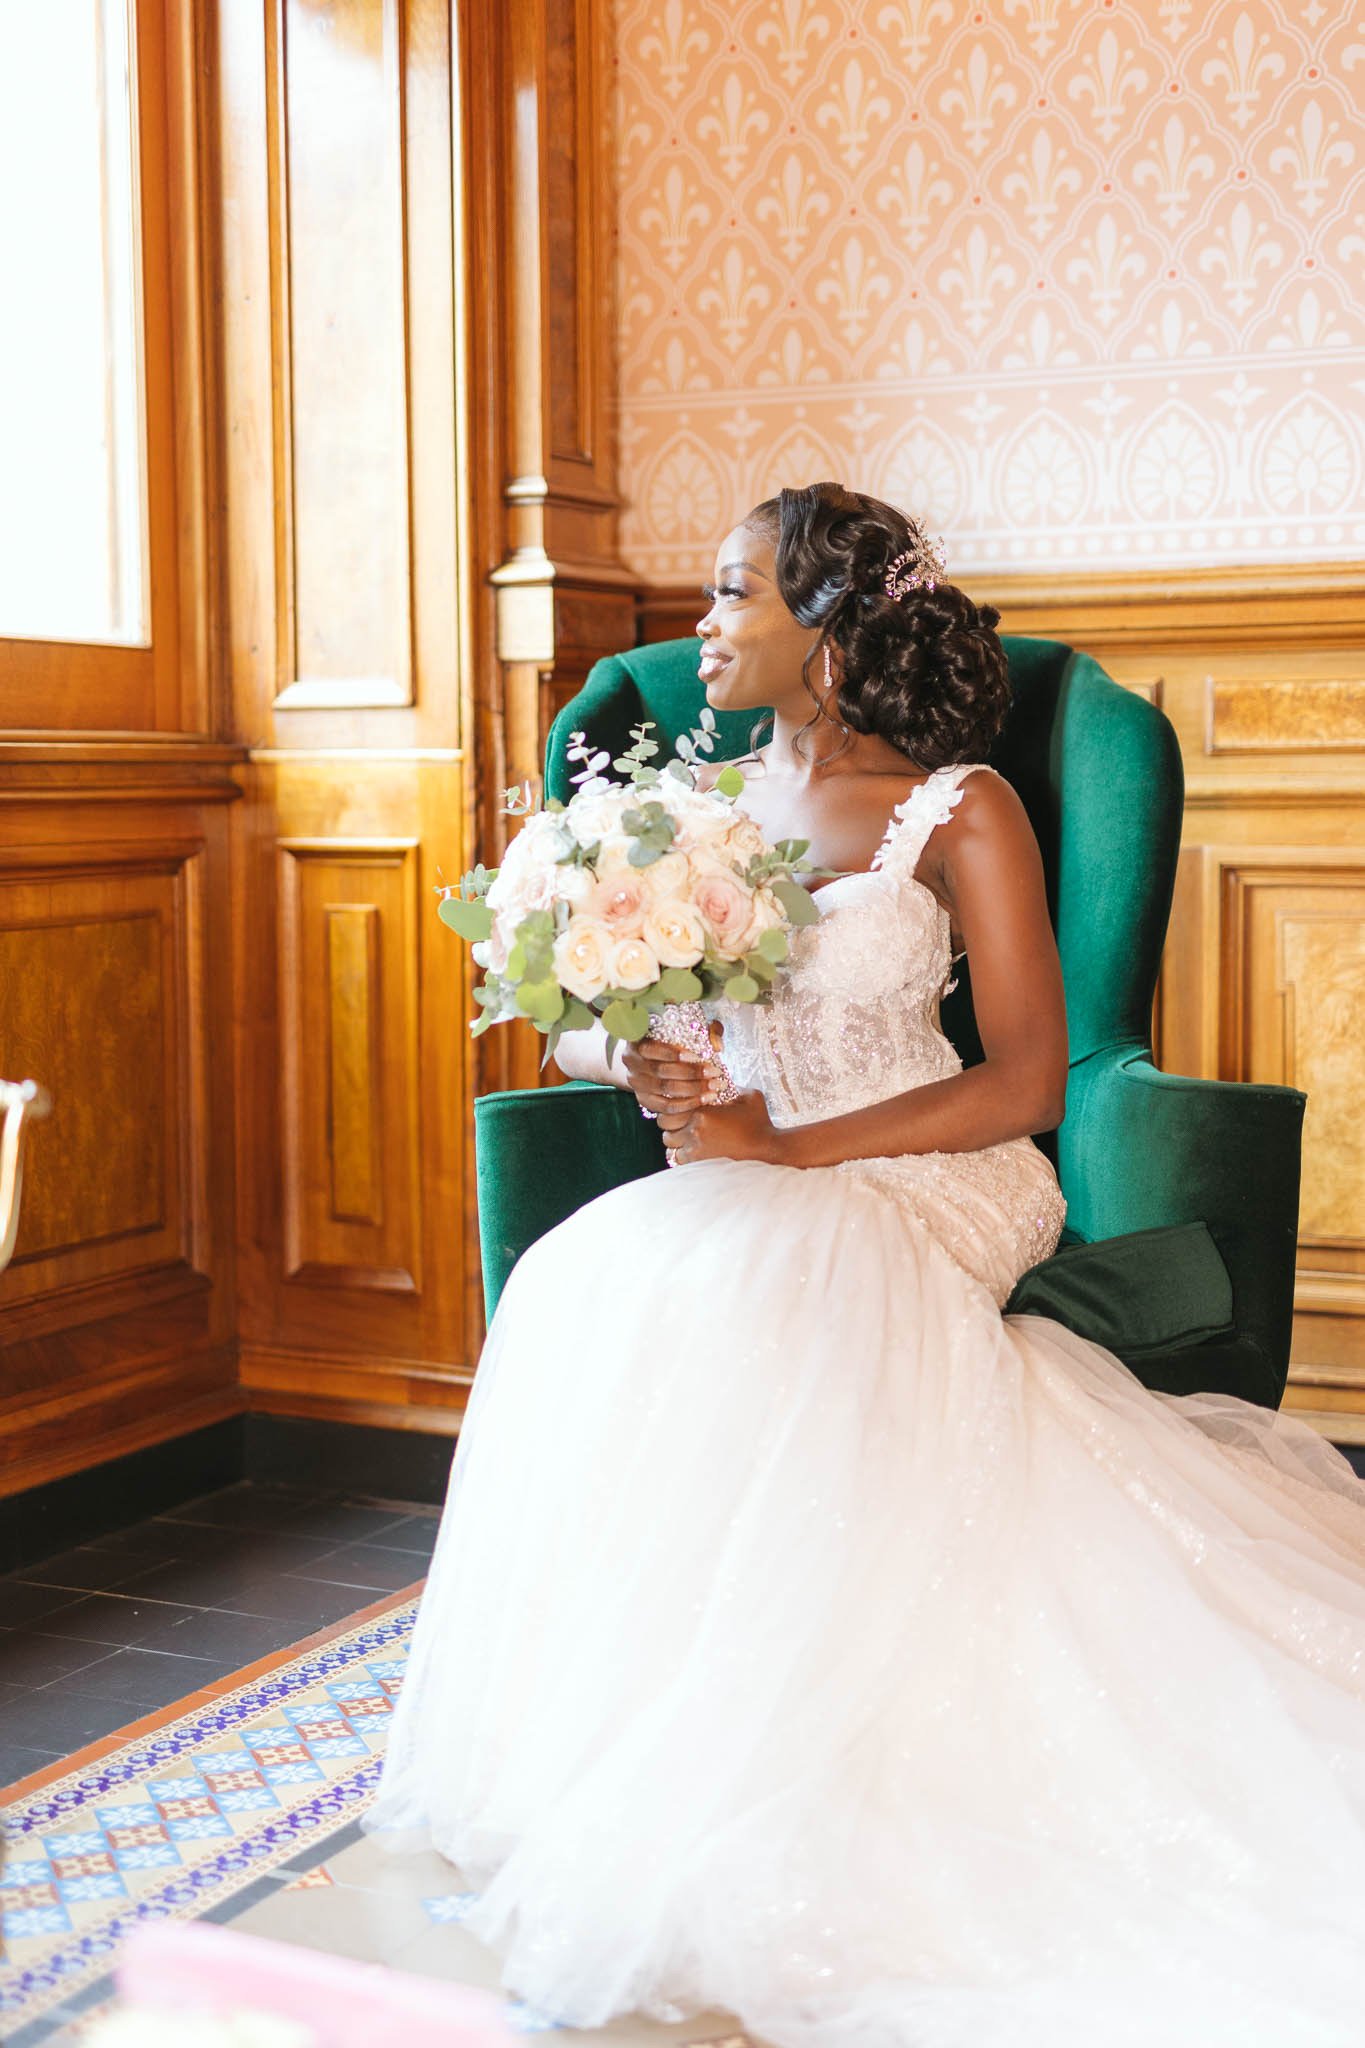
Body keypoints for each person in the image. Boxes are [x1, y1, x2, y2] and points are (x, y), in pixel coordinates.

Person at [370, 484, 1365, 2047]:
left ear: (826, 624)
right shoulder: (686, 812)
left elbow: (1025, 1080)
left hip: (928, 1167)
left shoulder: (961, 807)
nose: (701, 625)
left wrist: (792, 1151)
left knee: (769, 1280)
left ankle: (814, 1739)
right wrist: (644, 1065)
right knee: (592, 1282)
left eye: (733, 593)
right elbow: (595, 1024)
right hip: (744, 1174)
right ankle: (656, 1739)